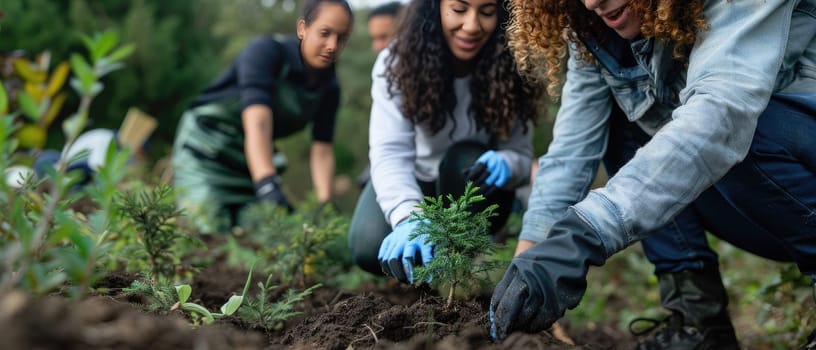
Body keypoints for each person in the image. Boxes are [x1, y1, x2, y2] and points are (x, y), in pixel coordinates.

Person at [489, 0, 816, 349]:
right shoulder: (595, 30)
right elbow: (572, 151)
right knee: (623, 120)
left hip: (795, 168)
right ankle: (698, 323)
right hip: (758, 200)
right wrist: (532, 260)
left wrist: (584, 234)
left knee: (736, 127)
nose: (591, 2)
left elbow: (720, 116)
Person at [348, 0, 541, 282]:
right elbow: (390, 152)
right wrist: (408, 217)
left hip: (471, 188)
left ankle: (457, 266)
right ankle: (423, 274)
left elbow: (523, 157)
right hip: (416, 180)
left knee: (464, 157)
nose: (472, 26)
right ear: (433, 7)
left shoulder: (514, 63)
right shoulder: (396, 62)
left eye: (486, 12)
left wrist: (508, 163)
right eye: (459, 10)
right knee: (367, 245)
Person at [171, 0, 353, 233]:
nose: (332, 45)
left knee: (259, 235)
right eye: (325, 33)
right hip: (206, 148)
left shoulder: (330, 86)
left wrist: (325, 202)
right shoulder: (266, 52)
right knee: (209, 230)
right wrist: (267, 185)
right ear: (302, 29)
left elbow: (322, 149)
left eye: (342, 38)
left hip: (250, 159)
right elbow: (258, 125)